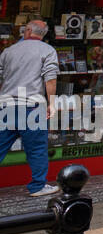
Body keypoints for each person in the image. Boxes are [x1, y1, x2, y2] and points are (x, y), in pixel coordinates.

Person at [0, 20, 59, 196]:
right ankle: (37, 186)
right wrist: (52, 104)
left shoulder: (9, 51)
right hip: (33, 107)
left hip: (6, 106)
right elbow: (51, 80)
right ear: (43, 34)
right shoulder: (48, 51)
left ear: (27, 31)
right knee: (37, 149)